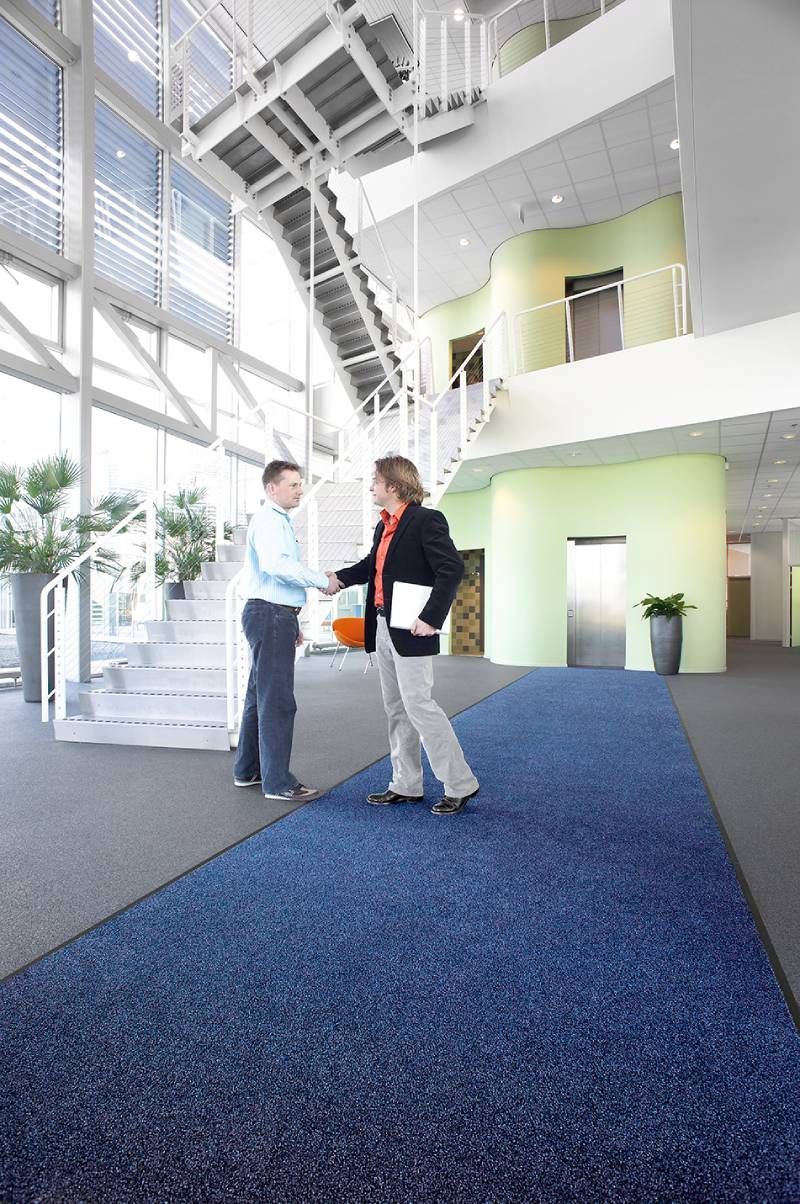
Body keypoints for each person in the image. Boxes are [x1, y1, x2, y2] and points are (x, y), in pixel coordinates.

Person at [332, 455, 479, 815]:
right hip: (382, 625)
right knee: (396, 709)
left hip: (413, 627)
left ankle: (460, 784)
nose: (371, 486)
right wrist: (339, 578)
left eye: (375, 480)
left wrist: (431, 617)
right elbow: (372, 567)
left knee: (419, 706)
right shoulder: (383, 526)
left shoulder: (426, 520)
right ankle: (406, 784)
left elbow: (451, 568)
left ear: (394, 486)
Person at [233, 460, 338, 802]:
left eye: (299, 484)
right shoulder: (270, 521)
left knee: (258, 696)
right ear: (271, 488)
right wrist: (321, 580)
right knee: (277, 701)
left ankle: (248, 770)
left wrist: (291, 619)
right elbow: (277, 566)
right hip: (270, 615)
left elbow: (276, 575)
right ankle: (278, 783)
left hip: (273, 615)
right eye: (292, 484)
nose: (299, 490)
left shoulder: (277, 521)